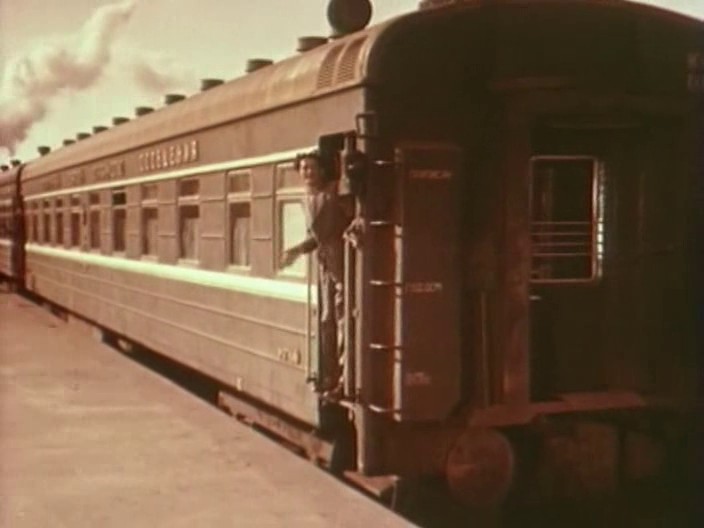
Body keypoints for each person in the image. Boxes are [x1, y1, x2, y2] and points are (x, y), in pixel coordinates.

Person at [281, 151, 351, 395]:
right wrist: (297, 251)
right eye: (303, 168)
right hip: (326, 264)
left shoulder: (335, 191)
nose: (307, 172)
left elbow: (351, 218)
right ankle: (331, 376)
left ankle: (346, 377)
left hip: (344, 261)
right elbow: (316, 237)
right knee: (327, 319)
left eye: (311, 167)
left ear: (321, 170)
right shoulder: (307, 198)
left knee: (343, 318)